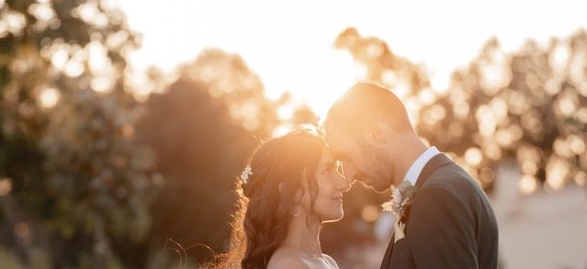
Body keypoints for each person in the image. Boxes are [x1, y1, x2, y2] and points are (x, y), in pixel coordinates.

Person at [324, 83, 498, 269]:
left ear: (376, 133)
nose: (348, 176)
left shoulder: (437, 197)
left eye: (346, 157)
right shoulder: (447, 184)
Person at [211, 128, 349, 269]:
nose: (344, 183)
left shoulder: (327, 262)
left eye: (337, 169)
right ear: (294, 190)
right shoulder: (290, 265)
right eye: (327, 170)